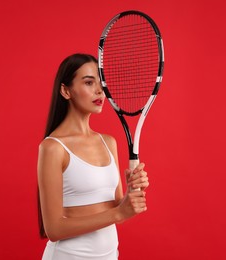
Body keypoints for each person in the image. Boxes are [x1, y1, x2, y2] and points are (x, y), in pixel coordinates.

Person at [37, 53, 149, 260]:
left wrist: (131, 194)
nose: (100, 90)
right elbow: (53, 229)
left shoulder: (108, 142)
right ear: (65, 90)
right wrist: (119, 213)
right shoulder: (53, 148)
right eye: (89, 82)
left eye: (101, 82)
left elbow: (116, 207)